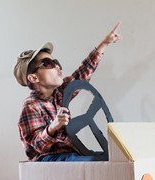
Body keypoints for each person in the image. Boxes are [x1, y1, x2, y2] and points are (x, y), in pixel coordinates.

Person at [14, 22, 122, 162]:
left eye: (56, 62)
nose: (57, 66)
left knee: (108, 158)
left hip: (70, 153)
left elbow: (82, 74)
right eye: (48, 63)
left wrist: (104, 43)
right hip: (48, 158)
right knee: (90, 162)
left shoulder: (59, 93)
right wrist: (53, 127)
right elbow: (36, 145)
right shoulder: (31, 106)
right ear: (33, 77)